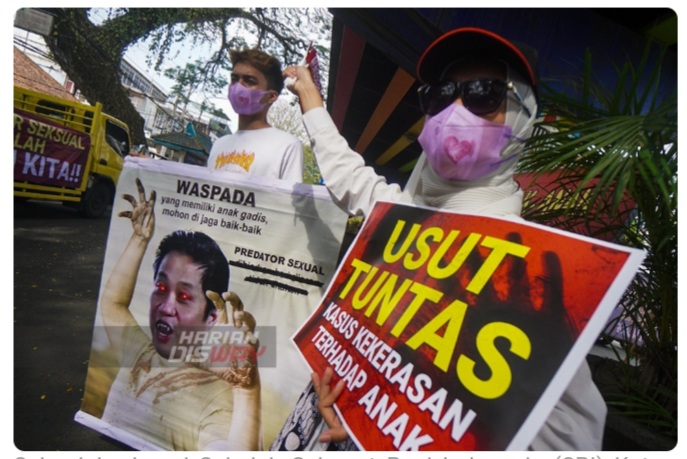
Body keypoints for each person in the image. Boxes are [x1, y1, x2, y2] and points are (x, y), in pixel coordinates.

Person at [276, 27, 607, 450]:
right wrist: (312, 103)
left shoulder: (524, 276)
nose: (454, 110)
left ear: (524, 116)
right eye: (440, 93)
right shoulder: (404, 214)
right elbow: (349, 177)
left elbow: (570, 442)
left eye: (484, 93)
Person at [99, 177, 262, 451]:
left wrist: (246, 390)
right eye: (161, 287)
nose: (165, 306)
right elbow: (112, 304)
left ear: (212, 317)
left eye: (185, 296)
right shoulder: (141, 353)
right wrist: (139, 240)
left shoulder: (217, 396)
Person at [207, 47, 304, 182]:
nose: (238, 86)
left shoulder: (287, 146)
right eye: (234, 79)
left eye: (249, 81)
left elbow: (286, 202)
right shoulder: (218, 145)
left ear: (271, 96)